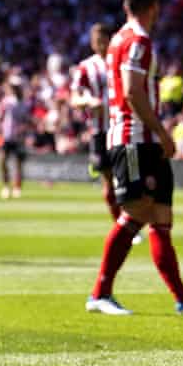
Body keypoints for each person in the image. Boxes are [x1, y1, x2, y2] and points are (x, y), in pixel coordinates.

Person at [85, 0, 183, 317]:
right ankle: (100, 293)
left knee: (161, 217)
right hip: (134, 138)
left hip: (143, 141)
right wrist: (163, 133)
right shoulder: (138, 41)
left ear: (127, 6)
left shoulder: (117, 40)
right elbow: (132, 91)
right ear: (154, 6)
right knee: (137, 213)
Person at [71, 23, 121, 222]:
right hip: (100, 131)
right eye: (95, 42)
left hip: (122, 128)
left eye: (102, 41)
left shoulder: (120, 62)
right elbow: (74, 98)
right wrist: (88, 101)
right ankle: (121, 224)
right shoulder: (86, 66)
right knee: (108, 182)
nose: (99, 45)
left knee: (128, 181)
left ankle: (129, 220)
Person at [0, 79, 31, 199]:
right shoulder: (6, 101)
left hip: (19, 137)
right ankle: (5, 187)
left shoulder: (24, 103)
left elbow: (27, 120)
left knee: (18, 164)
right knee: (2, 161)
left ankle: (17, 188)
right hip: (7, 136)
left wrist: (23, 129)